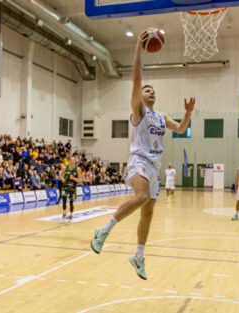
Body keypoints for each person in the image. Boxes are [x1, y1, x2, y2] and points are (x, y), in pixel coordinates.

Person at [91, 29, 195, 280]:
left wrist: (189, 112)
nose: (151, 92)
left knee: (147, 213)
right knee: (141, 196)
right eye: (147, 90)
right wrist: (138, 47)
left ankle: (138, 256)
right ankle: (104, 230)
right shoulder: (139, 111)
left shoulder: (161, 116)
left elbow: (181, 129)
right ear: (141, 95)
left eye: (153, 91)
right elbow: (136, 80)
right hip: (139, 160)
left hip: (155, 166)